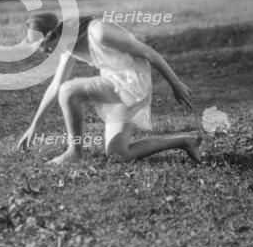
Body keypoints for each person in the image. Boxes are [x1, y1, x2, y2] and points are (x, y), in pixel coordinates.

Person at [16, 12, 202, 165]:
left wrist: (175, 84)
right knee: (118, 155)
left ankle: (74, 153)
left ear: (54, 34)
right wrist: (34, 127)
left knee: (68, 91)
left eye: (43, 47)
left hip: (132, 84)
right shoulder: (67, 45)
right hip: (117, 87)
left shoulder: (98, 31)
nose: (43, 53)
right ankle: (187, 140)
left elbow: (148, 52)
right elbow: (54, 86)